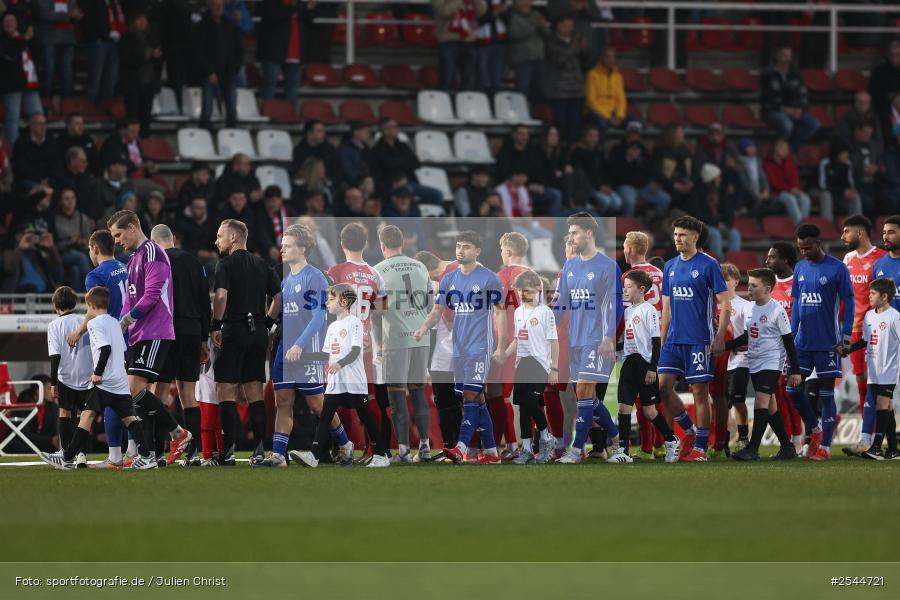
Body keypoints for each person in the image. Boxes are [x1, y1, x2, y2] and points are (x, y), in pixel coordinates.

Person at [257, 224, 352, 468]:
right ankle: (279, 455)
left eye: (288, 246)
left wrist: (299, 344)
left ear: (302, 248)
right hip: (284, 350)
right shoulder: (286, 279)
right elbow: (281, 312)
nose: (282, 249)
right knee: (283, 402)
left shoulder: (315, 277)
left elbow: (319, 316)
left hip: (306, 350)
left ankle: (345, 444)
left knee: (317, 404)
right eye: (282, 245)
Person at [107, 210, 192, 465]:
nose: (117, 240)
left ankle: (178, 433)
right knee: (134, 394)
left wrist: (126, 320)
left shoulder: (154, 252)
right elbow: (129, 299)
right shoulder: (134, 258)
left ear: (133, 227)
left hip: (155, 331)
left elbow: (153, 294)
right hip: (138, 333)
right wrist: (119, 325)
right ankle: (151, 454)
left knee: (134, 390)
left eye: (118, 234)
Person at [414, 231, 506, 464]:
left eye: (466, 247)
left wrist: (501, 346)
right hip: (459, 348)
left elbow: (499, 311)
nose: (460, 250)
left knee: (469, 396)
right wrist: (423, 328)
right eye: (458, 246)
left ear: (477, 251)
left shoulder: (489, 278)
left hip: (480, 346)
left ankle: (460, 448)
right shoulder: (448, 279)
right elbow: (436, 311)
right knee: (478, 399)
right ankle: (493, 453)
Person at [39, 286, 155, 470]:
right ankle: (148, 457)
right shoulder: (116, 323)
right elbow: (120, 350)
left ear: (91, 305)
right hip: (120, 380)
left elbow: (105, 348)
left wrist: (98, 373)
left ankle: (67, 458)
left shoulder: (94, 324)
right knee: (129, 418)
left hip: (105, 382)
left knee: (86, 416)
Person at [292, 284, 390, 469]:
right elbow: (327, 355)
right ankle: (313, 456)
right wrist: (304, 357)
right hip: (335, 383)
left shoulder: (354, 323)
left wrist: (339, 364)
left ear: (343, 302)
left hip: (353, 381)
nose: (327, 303)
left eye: (330, 299)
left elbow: (355, 351)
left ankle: (381, 454)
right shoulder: (332, 326)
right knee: (325, 417)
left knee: (365, 417)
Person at [551, 213, 623, 463]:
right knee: (588, 399)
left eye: (575, 232)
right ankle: (618, 443)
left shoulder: (607, 266)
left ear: (589, 233)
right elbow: (560, 304)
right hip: (575, 341)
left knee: (583, 391)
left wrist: (608, 337)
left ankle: (574, 450)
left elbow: (615, 305)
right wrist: (543, 324)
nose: (571, 237)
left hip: (596, 340)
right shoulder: (569, 267)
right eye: (570, 233)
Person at [658, 215, 730, 462]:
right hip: (673, 340)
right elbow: (665, 308)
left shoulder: (709, 265)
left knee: (700, 393)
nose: (678, 238)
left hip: (699, 339)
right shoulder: (670, 266)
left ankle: (700, 447)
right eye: (676, 234)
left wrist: (720, 337)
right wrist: (662, 339)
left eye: (683, 234)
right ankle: (688, 430)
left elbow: (726, 304)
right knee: (663, 388)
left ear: (695, 237)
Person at [210, 218, 280, 465]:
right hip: (258, 333)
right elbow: (278, 296)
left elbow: (220, 296)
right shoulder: (262, 264)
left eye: (220, 236)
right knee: (254, 392)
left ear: (233, 237)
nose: (216, 240)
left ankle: (227, 452)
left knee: (226, 390)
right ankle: (259, 450)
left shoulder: (225, 265)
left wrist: (215, 325)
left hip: (233, 330)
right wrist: (268, 325)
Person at [789, 223, 855, 461]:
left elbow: (849, 302)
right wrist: (791, 335)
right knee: (792, 389)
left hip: (828, 342)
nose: (804, 252)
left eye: (807, 247)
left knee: (826, 394)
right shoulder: (799, 268)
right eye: (800, 248)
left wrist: (846, 337)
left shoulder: (837, 268)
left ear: (819, 242)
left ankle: (825, 446)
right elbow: (797, 303)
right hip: (802, 343)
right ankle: (815, 429)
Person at [327, 224, 390, 461]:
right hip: (365, 343)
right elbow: (382, 312)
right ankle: (374, 448)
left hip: (340, 343)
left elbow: (327, 308)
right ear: (365, 244)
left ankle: (343, 448)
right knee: (368, 398)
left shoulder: (335, 272)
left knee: (336, 398)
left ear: (342, 244)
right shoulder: (376, 275)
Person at [150, 225, 210, 466]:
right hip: (192, 330)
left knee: (160, 392)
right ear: (173, 239)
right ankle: (194, 453)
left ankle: (157, 453)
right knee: (188, 393)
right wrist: (204, 337)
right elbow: (205, 300)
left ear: (154, 242)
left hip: (167, 330)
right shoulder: (194, 262)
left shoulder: (157, 260)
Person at [727, 268, 802, 461]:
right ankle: (787, 447)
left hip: (772, 361)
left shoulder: (777, 310)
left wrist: (795, 370)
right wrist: (724, 346)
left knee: (761, 402)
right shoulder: (749, 308)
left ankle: (752, 448)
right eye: (749, 284)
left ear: (767, 289)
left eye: (754, 286)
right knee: (771, 408)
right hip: (755, 360)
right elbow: (745, 336)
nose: (749, 289)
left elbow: (788, 342)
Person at [373, 225, 432, 463]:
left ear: (382, 245)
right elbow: (429, 305)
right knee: (418, 393)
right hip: (421, 337)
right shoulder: (421, 266)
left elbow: (378, 309)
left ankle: (404, 451)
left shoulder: (378, 271)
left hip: (395, 339)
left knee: (397, 397)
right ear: (403, 243)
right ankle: (425, 447)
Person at [496, 269, 559, 464]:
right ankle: (527, 450)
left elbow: (553, 341)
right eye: (520, 291)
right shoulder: (518, 312)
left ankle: (547, 437)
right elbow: (518, 338)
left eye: (527, 290)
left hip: (539, 363)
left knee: (531, 403)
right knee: (523, 407)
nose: (522, 294)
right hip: (521, 362)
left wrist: (554, 368)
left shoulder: (545, 312)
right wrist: (506, 353)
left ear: (538, 289)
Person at [616, 269, 679, 463]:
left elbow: (655, 341)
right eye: (624, 286)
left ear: (641, 289)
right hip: (629, 362)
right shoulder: (628, 311)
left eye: (628, 287)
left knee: (649, 411)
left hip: (645, 365)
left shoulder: (648, 310)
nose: (625, 290)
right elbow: (628, 338)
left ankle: (670, 440)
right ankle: (623, 451)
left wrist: (653, 368)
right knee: (623, 408)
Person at [622, 231, 668, 459]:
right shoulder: (660, 273)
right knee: (654, 395)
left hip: (641, 342)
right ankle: (661, 443)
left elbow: (625, 314)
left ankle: (648, 447)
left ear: (629, 249)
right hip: (662, 338)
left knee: (642, 397)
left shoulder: (630, 277)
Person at [843, 279, 900, 460]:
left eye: (873, 293)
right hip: (874, 370)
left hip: (889, 369)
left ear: (884, 297)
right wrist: (848, 349)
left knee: (882, 405)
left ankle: (876, 448)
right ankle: (892, 449)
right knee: (887, 408)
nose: (869, 295)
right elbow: (865, 341)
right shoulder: (869, 316)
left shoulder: (895, 317)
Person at [840, 215, 886, 436]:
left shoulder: (881, 259)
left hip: (877, 331)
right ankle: (868, 431)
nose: (842, 236)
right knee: (861, 379)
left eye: (846, 231)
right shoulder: (847, 259)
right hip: (855, 331)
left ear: (859, 233)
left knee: (880, 381)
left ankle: (879, 431)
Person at [415, 250, 461, 460]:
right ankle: (453, 447)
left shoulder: (452, 272)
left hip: (457, 346)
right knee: (449, 398)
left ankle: (458, 446)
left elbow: (445, 313)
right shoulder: (450, 273)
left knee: (454, 398)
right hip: (446, 347)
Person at [765, 241, 804, 453]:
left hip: (794, 348)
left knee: (791, 395)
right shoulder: (769, 285)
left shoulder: (798, 282)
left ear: (786, 260)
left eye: (772, 257)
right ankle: (787, 441)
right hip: (773, 350)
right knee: (778, 396)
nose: (767, 261)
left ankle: (799, 438)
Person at [47, 286, 92, 468]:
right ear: (74, 302)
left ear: (56, 305)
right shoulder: (84, 322)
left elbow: (54, 355)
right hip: (86, 376)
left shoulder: (54, 325)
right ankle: (82, 455)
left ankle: (66, 455)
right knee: (84, 416)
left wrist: (52, 383)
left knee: (64, 413)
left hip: (66, 377)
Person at [192, 0, 243, 129]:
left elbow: (239, 50)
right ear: (210, 6)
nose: (218, 8)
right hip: (209, 74)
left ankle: (232, 140)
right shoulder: (201, 27)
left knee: (232, 110)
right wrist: (208, 72)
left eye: (220, 5)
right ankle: (204, 139)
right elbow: (197, 53)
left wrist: (234, 69)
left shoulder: (230, 26)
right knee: (207, 110)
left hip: (229, 73)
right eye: (215, 5)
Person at [760, 46, 820, 151]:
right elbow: (767, 99)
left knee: (814, 124)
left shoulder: (795, 73)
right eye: (784, 55)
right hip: (773, 111)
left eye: (789, 56)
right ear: (777, 56)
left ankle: (790, 149)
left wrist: (801, 109)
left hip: (795, 109)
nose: (787, 59)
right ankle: (778, 151)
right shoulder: (768, 74)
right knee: (788, 125)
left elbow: (803, 94)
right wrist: (786, 109)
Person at [720, 263, 751, 453]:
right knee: (721, 401)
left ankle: (743, 438)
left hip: (740, 359)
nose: (723, 283)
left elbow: (747, 337)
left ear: (736, 282)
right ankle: (722, 441)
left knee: (736, 400)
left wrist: (727, 345)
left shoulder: (744, 305)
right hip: (719, 360)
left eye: (726, 279)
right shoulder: (714, 305)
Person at [544, 15, 589, 144]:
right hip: (559, 91)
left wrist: (585, 49)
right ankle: (556, 152)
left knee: (575, 123)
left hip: (576, 89)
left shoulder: (576, 41)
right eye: (567, 25)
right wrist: (575, 47)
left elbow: (586, 61)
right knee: (560, 123)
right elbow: (559, 60)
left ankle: (571, 154)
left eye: (571, 26)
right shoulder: (551, 41)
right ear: (559, 26)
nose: (570, 28)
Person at [608, 121, 667, 217]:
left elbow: (651, 168)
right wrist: (628, 159)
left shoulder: (643, 150)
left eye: (637, 134)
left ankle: (653, 222)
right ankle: (627, 228)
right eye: (631, 134)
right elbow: (613, 172)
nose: (634, 137)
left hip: (644, 187)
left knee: (665, 199)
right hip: (626, 185)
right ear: (627, 135)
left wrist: (654, 182)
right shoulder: (617, 149)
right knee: (629, 202)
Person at [0, 12, 42, 146]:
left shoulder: (24, 38)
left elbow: (37, 52)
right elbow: (11, 54)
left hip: (31, 84)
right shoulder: (3, 40)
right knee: (13, 119)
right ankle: (14, 150)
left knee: (38, 116)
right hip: (12, 86)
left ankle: (39, 145)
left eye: (12, 20)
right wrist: (25, 40)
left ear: (17, 23)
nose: (10, 23)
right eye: (6, 21)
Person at [118, 11, 160, 137]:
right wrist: (146, 55)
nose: (142, 23)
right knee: (133, 113)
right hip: (132, 82)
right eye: (139, 19)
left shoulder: (149, 38)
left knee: (146, 113)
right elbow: (127, 60)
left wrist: (154, 56)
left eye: (144, 20)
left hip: (148, 81)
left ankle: (145, 139)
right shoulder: (126, 38)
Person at [257, 0, 304, 106]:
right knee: (270, 83)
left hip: (295, 52)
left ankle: (290, 114)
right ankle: (267, 112)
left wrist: (309, 8)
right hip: (273, 51)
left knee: (292, 85)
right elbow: (274, 18)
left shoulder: (298, 4)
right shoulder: (269, 3)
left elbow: (309, 20)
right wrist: (292, 8)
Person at [431, 0, 485, 92]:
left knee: (469, 79)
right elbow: (444, 11)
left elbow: (481, 11)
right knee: (446, 78)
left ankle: (463, 104)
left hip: (468, 40)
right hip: (448, 40)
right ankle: (444, 104)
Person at [33, 0, 80, 103]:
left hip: (68, 39)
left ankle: (67, 104)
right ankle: (45, 103)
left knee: (67, 73)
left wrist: (76, 16)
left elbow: (76, 15)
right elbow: (45, 15)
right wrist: (67, 15)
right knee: (48, 71)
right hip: (48, 39)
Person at [81, 0, 124, 106]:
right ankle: (89, 107)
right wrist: (97, 37)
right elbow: (88, 20)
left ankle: (106, 106)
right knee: (95, 76)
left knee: (112, 77)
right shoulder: (93, 2)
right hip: (99, 42)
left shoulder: (116, 3)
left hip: (115, 42)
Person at [693, 163, 740, 258]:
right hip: (705, 225)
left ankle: (732, 264)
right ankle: (718, 264)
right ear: (711, 179)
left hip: (720, 224)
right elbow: (698, 215)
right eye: (717, 177)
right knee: (715, 234)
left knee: (735, 234)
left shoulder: (721, 191)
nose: (720, 179)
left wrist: (726, 223)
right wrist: (716, 223)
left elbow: (729, 211)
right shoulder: (697, 193)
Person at [763, 138, 811, 224]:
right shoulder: (767, 164)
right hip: (776, 193)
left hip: (790, 191)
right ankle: (799, 225)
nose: (786, 151)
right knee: (790, 198)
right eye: (782, 148)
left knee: (805, 198)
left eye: (786, 148)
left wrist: (795, 189)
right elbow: (774, 183)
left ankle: (804, 223)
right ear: (775, 149)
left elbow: (795, 179)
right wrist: (790, 190)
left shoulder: (789, 162)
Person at [53, 188, 93, 291]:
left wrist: (82, 242)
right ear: (61, 201)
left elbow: (89, 242)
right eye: (66, 199)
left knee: (75, 270)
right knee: (80, 258)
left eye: (72, 198)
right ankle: (90, 291)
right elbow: (55, 245)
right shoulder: (55, 219)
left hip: (80, 251)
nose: (70, 201)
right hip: (63, 254)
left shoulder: (81, 218)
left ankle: (78, 300)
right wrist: (70, 242)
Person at [507, 0, 547, 100]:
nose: (527, 3)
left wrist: (544, 25)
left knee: (540, 87)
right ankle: (521, 112)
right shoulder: (513, 16)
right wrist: (534, 26)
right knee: (523, 88)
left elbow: (547, 34)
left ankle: (537, 112)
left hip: (538, 57)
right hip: (523, 59)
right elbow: (515, 34)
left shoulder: (536, 14)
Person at [585, 46, 626, 135]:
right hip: (596, 113)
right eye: (607, 57)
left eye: (612, 57)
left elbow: (621, 99)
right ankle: (601, 148)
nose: (610, 60)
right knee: (602, 124)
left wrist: (619, 116)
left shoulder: (618, 76)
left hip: (614, 114)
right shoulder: (592, 74)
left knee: (636, 123)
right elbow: (590, 101)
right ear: (601, 58)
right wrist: (608, 116)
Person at [12, 112, 59, 190]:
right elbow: (21, 167)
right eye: (40, 124)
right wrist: (40, 179)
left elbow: (56, 163)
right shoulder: (21, 143)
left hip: (49, 179)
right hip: (28, 180)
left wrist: (48, 179)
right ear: (31, 126)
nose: (43, 127)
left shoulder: (52, 141)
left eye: (44, 123)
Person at [736, 138, 771, 219]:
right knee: (756, 201)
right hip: (747, 194)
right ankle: (753, 222)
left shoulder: (757, 161)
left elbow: (763, 178)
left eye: (753, 146)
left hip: (760, 192)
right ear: (743, 149)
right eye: (749, 147)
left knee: (771, 201)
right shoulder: (740, 162)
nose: (753, 148)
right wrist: (755, 194)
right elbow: (743, 182)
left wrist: (766, 190)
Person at [868, 39, 900, 117]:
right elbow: (873, 93)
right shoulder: (878, 71)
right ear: (888, 54)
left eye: (897, 54)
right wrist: (891, 98)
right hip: (885, 108)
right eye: (892, 54)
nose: (894, 57)